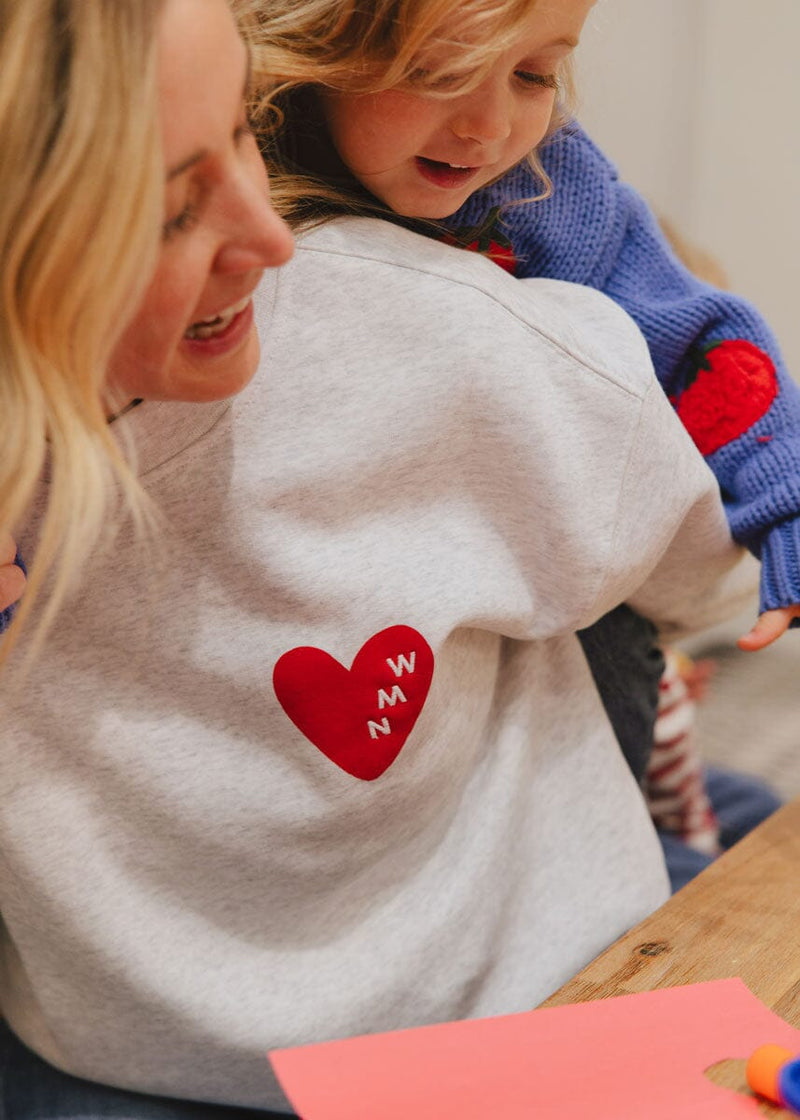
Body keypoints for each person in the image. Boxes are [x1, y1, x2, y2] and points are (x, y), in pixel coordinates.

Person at [0, 0, 755, 1116]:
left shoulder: (458, 327)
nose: (271, 237)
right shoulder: (447, 332)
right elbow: (705, 569)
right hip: (141, 1066)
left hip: (534, 1007)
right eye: (170, 211)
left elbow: (712, 561)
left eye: (247, 132)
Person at [249, 0, 792, 872]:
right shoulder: (229, 158)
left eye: (535, 75)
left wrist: (784, 499)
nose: (491, 127)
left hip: (543, 653)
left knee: (751, 813)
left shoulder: (548, 180)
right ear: (320, 40)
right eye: (441, 72)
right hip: (354, 626)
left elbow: (694, 334)